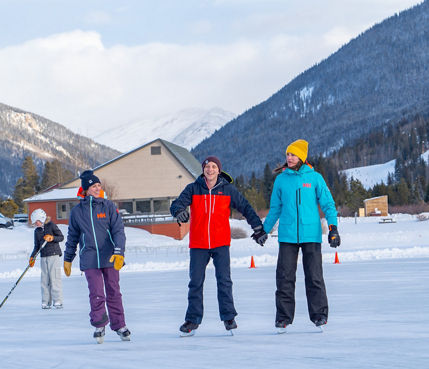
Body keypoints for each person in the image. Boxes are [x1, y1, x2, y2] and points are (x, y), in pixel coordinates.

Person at [170, 156, 267, 336]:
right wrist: (179, 212)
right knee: (195, 282)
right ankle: (192, 320)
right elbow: (176, 205)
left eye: (214, 167)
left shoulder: (227, 189)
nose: (210, 170)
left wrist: (258, 227)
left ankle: (229, 317)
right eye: (207, 167)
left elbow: (245, 207)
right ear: (203, 170)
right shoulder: (193, 188)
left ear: (219, 170)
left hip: (220, 242)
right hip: (198, 244)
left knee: (224, 281)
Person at [263, 139, 341, 332]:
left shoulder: (315, 178)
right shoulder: (281, 180)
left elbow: (328, 205)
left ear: (302, 157)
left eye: (293, 154)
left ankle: (319, 315)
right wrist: (263, 230)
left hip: (311, 235)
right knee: (284, 278)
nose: (289, 158)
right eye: (287, 154)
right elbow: (275, 209)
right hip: (287, 235)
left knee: (314, 277)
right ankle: (283, 318)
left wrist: (333, 228)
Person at [64, 170, 131, 344]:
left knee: (114, 291)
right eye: (94, 186)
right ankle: (99, 325)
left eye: (99, 185)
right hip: (89, 258)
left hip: (110, 256)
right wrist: (68, 258)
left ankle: (120, 325)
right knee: (96, 293)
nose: (97, 188)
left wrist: (119, 253)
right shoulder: (77, 212)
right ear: (85, 189)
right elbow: (72, 237)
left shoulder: (108, 206)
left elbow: (118, 231)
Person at [29, 208, 64, 309]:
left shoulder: (51, 225)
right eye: (35, 222)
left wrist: (52, 238)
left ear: (42, 219)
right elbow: (36, 246)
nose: (36, 224)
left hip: (54, 255)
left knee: (54, 278)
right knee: (44, 280)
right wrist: (32, 256)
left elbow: (61, 237)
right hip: (43, 256)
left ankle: (57, 301)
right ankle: (46, 301)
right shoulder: (37, 231)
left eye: (37, 222)